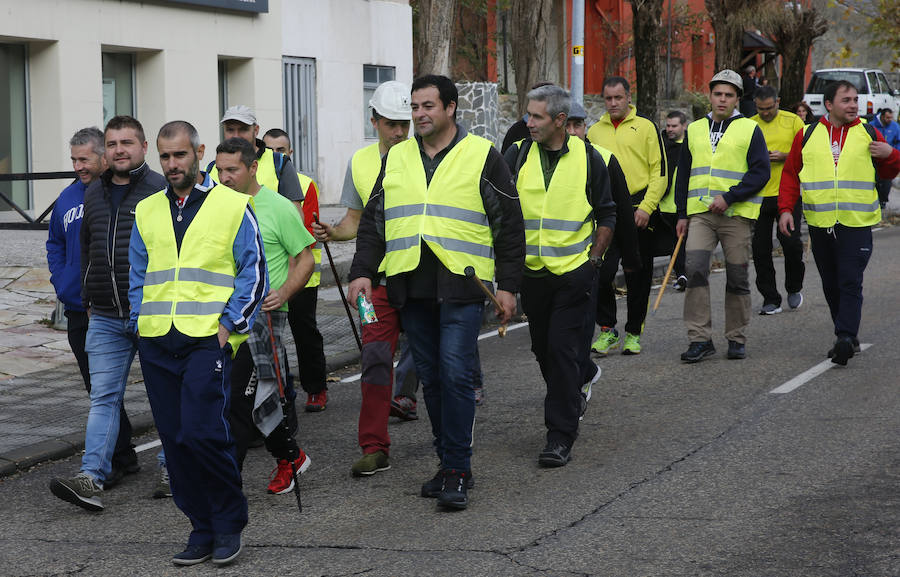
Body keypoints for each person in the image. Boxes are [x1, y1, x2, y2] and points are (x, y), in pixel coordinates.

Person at [347, 74, 525, 509]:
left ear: (450, 108)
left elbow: (508, 224)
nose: (419, 114)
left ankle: (459, 469)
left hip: (463, 286)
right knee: (432, 380)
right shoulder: (397, 157)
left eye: (428, 106)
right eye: (415, 107)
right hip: (410, 285)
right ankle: (448, 463)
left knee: (456, 374)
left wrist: (508, 286)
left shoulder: (481, 154)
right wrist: (362, 272)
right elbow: (374, 221)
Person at [129, 121, 266, 566]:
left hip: (207, 340)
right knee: (175, 442)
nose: (172, 164)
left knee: (203, 433)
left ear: (199, 152)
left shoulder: (232, 204)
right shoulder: (147, 209)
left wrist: (230, 326)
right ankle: (200, 527)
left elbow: (253, 271)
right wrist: (137, 323)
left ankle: (227, 524)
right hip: (156, 342)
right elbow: (138, 274)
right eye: (165, 156)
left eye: (180, 155)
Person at [48, 116, 166, 511]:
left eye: (126, 143)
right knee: (103, 398)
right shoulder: (93, 194)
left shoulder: (159, 190)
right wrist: (84, 292)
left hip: (152, 313)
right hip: (103, 316)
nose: (119, 150)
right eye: (113, 143)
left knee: (164, 396)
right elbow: (85, 247)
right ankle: (91, 477)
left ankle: (172, 468)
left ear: (143, 147)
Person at [314, 80, 422, 479]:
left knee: (436, 359)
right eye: (392, 123)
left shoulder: (424, 157)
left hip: (419, 279)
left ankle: (450, 440)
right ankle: (374, 447)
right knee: (374, 358)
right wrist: (332, 232)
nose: (400, 131)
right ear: (373, 120)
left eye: (405, 124)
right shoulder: (359, 162)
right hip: (374, 284)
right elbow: (355, 222)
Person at [504, 85, 616, 466]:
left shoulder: (589, 158)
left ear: (560, 121)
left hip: (574, 275)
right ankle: (578, 384)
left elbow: (607, 214)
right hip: (532, 276)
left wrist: (593, 262)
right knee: (542, 350)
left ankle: (560, 435)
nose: (529, 122)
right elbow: (500, 210)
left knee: (561, 350)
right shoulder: (517, 155)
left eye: (536, 116)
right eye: (528, 115)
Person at [215, 137, 316, 494]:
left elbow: (306, 258)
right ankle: (291, 457)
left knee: (240, 400)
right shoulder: (213, 206)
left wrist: (284, 292)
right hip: (222, 318)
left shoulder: (278, 207)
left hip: (262, 320)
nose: (224, 178)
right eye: (219, 170)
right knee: (245, 395)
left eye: (232, 170)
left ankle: (227, 484)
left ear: (253, 167)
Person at [778, 81, 900, 365]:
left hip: (856, 223)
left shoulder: (868, 132)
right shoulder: (807, 134)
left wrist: (891, 154)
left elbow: (888, 170)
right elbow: (791, 174)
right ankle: (847, 334)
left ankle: (844, 336)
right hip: (820, 222)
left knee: (849, 279)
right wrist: (785, 209)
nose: (853, 105)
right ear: (829, 105)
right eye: (846, 100)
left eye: (855, 99)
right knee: (831, 283)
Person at [674, 69, 770, 363]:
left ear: (737, 99)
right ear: (710, 95)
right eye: (718, 94)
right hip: (700, 215)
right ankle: (700, 339)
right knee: (695, 270)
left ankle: (736, 337)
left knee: (737, 276)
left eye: (729, 95)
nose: (722, 99)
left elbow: (761, 172)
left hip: (736, 215)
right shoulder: (694, 129)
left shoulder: (750, 129)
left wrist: (729, 197)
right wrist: (681, 214)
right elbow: (684, 174)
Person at [585, 76, 667, 356]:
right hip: (606, 212)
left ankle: (634, 332)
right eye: (608, 98)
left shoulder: (645, 127)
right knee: (600, 271)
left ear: (629, 97)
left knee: (638, 276)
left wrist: (647, 207)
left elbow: (660, 172)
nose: (613, 103)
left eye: (618, 97)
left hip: (638, 209)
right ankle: (607, 329)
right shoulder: (595, 132)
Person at [566, 101, 638, 396]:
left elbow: (621, 209)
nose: (572, 132)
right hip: (553, 259)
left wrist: (631, 258)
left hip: (593, 252)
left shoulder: (603, 159)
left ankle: (577, 385)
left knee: (583, 318)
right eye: (567, 125)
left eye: (578, 125)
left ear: (586, 128)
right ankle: (582, 372)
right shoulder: (537, 159)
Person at [262, 128, 329, 412]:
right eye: (270, 150)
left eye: (281, 150)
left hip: (302, 276)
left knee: (304, 333)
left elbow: (305, 231)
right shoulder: (255, 181)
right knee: (272, 338)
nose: (276, 155)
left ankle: (316, 389)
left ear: (290, 153)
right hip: (270, 276)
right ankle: (284, 389)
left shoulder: (304, 183)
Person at [750, 85, 807, 315]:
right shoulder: (749, 124)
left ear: (778, 102)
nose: (765, 113)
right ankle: (770, 298)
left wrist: (785, 156)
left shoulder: (793, 122)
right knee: (760, 249)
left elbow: (808, 152)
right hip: (758, 195)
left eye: (769, 108)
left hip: (788, 193)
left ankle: (794, 287)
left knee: (791, 244)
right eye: (760, 109)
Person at [659, 111, 688, 291]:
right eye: (668, 125)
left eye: (674, 126)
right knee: (671, 243)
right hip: (663, 204)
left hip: (682, 203)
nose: (670, 129)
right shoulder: (661, 145)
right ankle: (681, 274)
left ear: (684, 126)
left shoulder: (689, 146)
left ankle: (682, 274)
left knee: (682, 242)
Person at [870, 108, 900, 208]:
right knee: (875, 181)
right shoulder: (871, 126)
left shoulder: (895, 127)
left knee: (887, 182)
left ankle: (883, 201)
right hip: (874, 159)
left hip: (888, 159)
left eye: (891, 117)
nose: (889, 120)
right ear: (882, 117)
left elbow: (898, 141)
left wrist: (894, 152)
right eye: (887, 117)